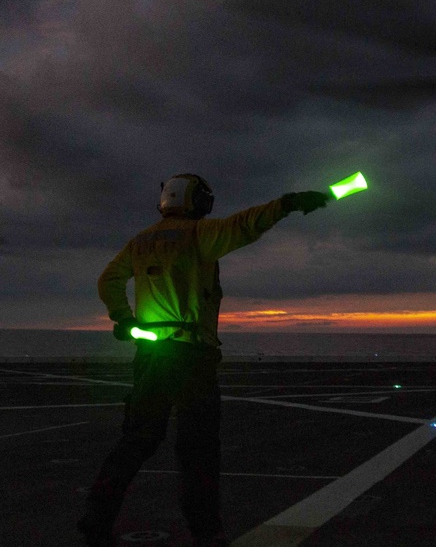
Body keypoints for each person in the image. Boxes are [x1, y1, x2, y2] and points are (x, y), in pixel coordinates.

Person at [78, 174, 328, 547]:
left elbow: (108, 279)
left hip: (150, 354)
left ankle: (95, 519)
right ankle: (206, 532)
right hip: (192, 356)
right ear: (196, 201)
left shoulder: (141, 241)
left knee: (135, 441)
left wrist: (124, 318)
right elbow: (245, 224)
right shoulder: (200, 235)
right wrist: (287, 204)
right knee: (198, 450)